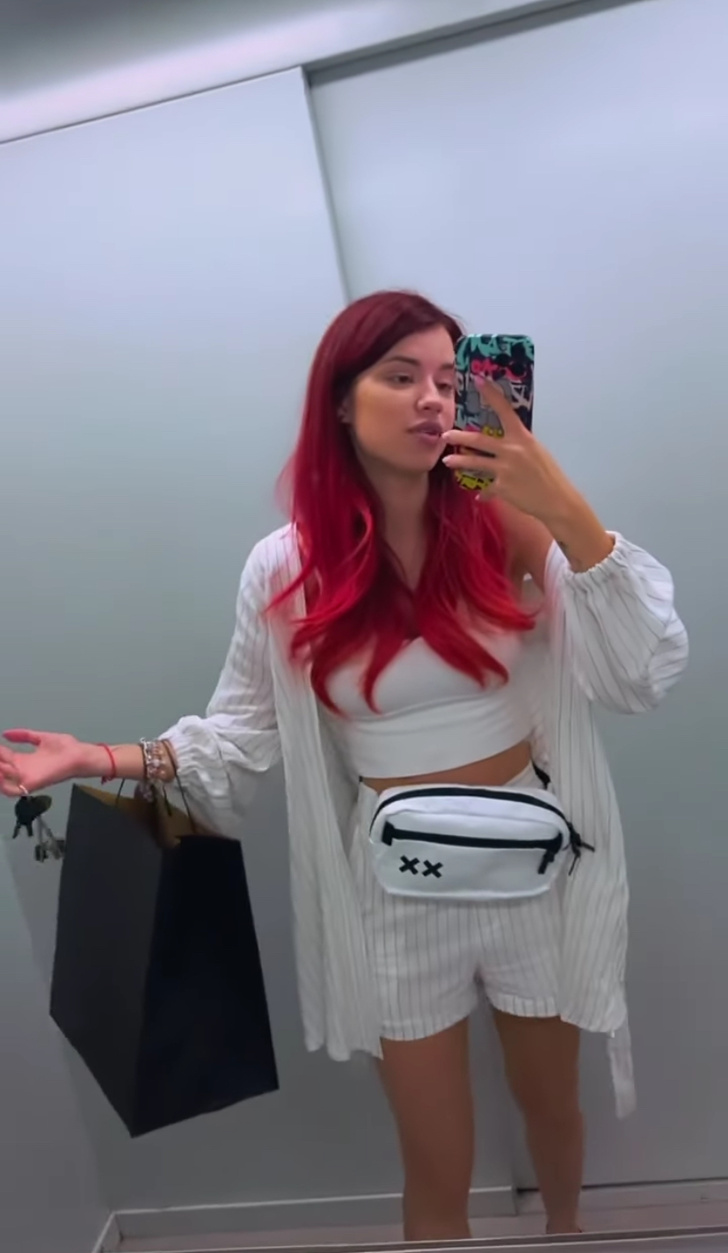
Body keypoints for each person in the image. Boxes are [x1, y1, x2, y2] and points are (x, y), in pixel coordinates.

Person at [0, 291, 688, 1241]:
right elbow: (239, 737)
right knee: (434, 1159)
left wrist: (561, 503)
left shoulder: (508, 526)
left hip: (536, 868)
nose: (431, 400)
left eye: (448, 380)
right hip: (395, 890)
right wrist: (96, 757)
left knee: (553, 1108)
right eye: (401, 377)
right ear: (340, 400)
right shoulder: (287, 567)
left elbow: (638, 669)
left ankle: (566, 1231)